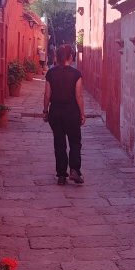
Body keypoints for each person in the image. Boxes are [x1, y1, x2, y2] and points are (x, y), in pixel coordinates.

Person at [42, 44, 85, 185]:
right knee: (75, 142)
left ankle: (61, 175)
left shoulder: (51, 73)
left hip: (55, 112)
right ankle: (74, 170)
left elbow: (47, 94)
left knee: (59, 143)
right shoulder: (76, 74)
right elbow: (79, 96)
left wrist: (45, 111)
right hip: (71, 112)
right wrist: (82, 113)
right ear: (70, 56)